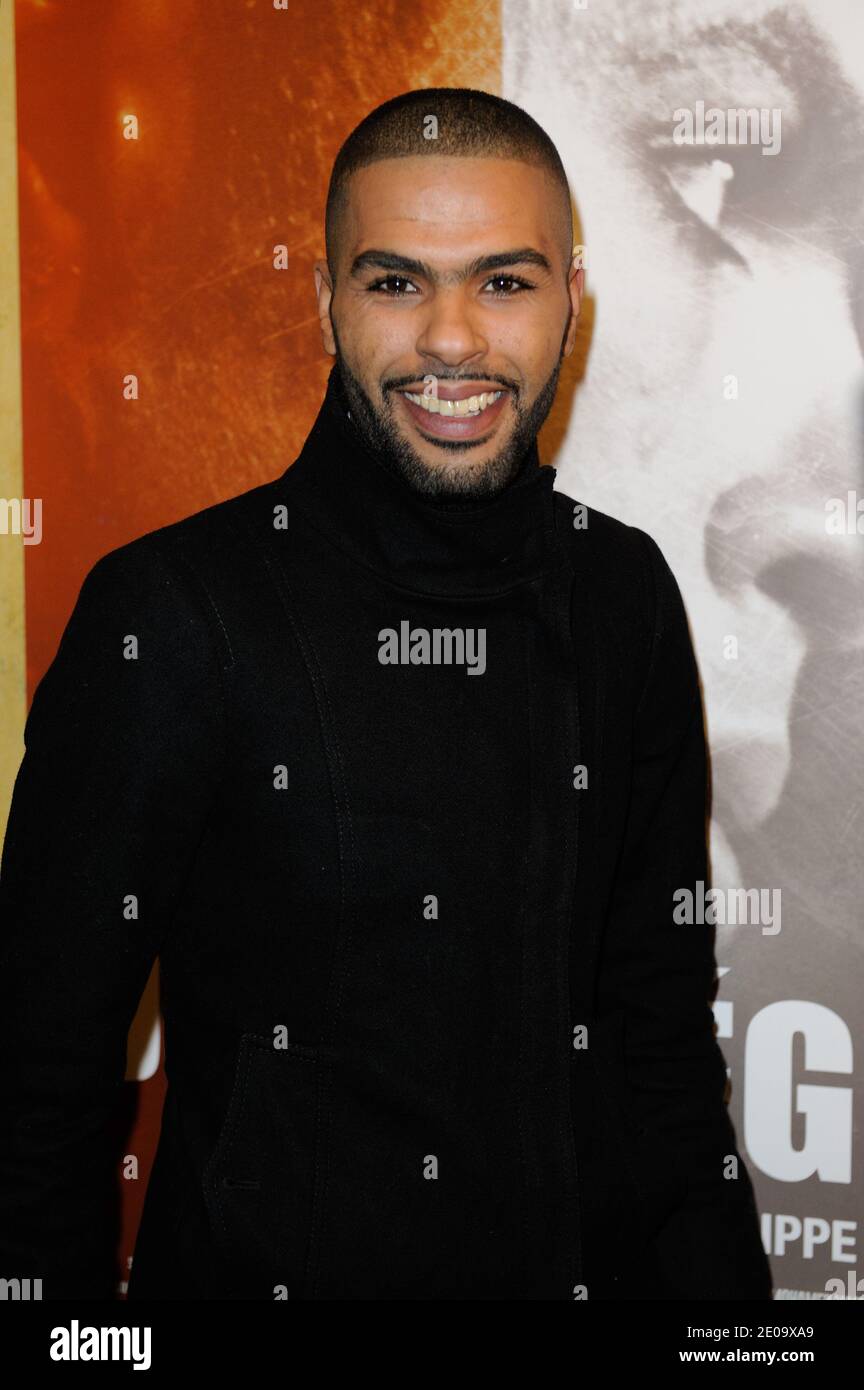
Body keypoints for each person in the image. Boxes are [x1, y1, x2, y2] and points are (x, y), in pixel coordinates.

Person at [0, 86, 772, 1300]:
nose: (453, 340)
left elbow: (662, 1044)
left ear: (573, 296)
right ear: (326, 302)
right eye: (396, 282)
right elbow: (38, 1080)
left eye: (504, 282)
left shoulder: (623, 590)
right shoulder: (174, 612)